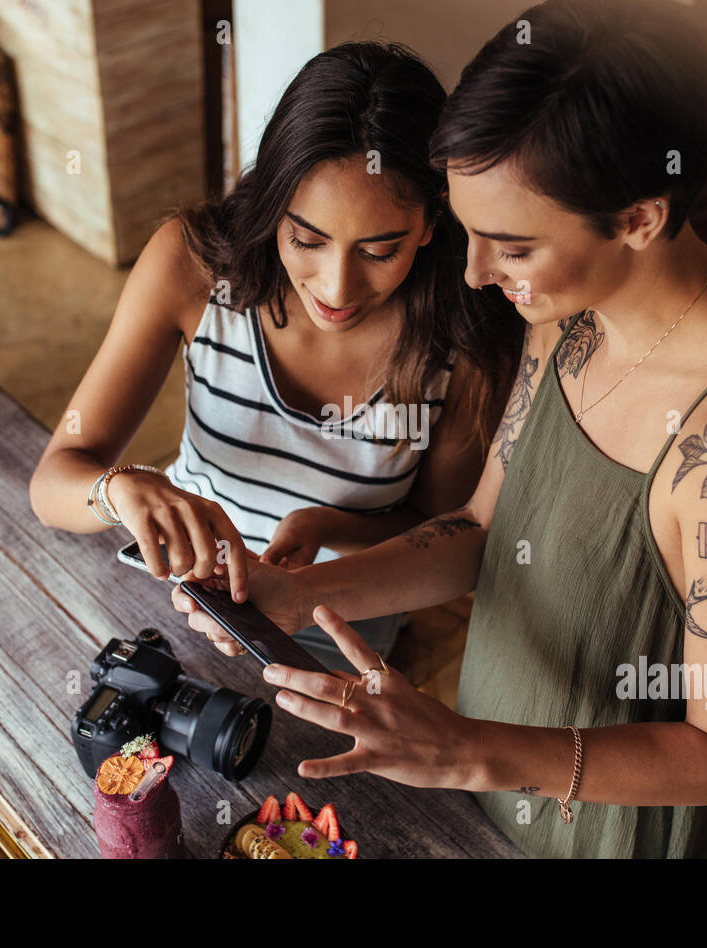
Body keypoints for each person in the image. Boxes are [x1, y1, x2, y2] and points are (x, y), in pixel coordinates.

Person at [173, 0, 707, 858]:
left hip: (599, 832)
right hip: (478, 782)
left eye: (513, 247)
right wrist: (299, 595)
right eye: (469, 234)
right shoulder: (567, 316)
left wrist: (464, 751)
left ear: (640, 218)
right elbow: (482, 529)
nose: (477, 274)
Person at [30, 42, 521, 671]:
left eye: (379, 251)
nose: (336, 289)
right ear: (272, 204)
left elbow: (441, 530)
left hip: (334, 628)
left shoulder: (463, 336)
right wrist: (114, 491)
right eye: (306, 239)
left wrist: (326, 528)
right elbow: (53, 481)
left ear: (431, 223)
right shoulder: (194, 268)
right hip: (175, 601)